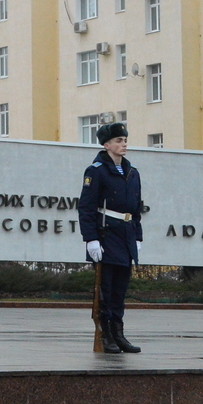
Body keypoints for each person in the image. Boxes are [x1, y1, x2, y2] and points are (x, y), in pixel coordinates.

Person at [78, 122, 143, 354]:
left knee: (120, 290)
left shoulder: (132, 172)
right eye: (118, 140)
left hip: (125, 236)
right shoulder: (96, 171)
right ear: (106, 145)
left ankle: (118, 333)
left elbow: (136, 209)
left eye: (125, 140)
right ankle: (105, 334)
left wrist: (138, 237)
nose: (123, 144)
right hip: (106, 235)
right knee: (105, 289)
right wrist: (90, 239)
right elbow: (86, 208)